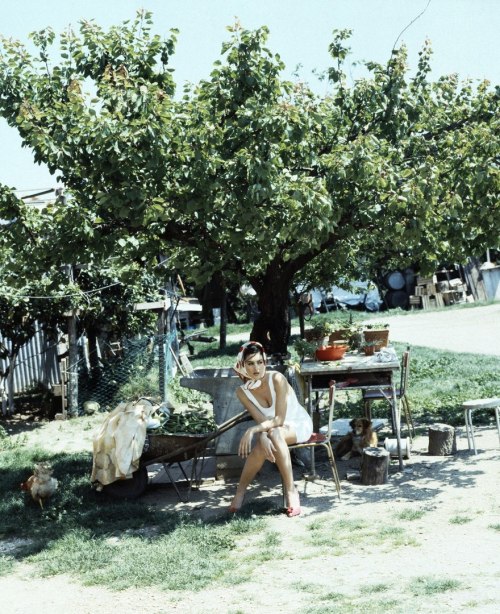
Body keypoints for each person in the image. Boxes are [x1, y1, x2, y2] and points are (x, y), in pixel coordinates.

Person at [229, 341, 313, 517]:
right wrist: (263, 435)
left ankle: (291, 491)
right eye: (250, 363)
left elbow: (279, 419)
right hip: (274, 429)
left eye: (260, 362)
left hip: (297, 424)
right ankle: (240, 492)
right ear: (242, 365)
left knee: (273, 434)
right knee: (264, 443)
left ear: (265, 361)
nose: (256, 368)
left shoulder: (277, 379)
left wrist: (253, 431)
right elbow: (261, 419)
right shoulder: (242, 391)